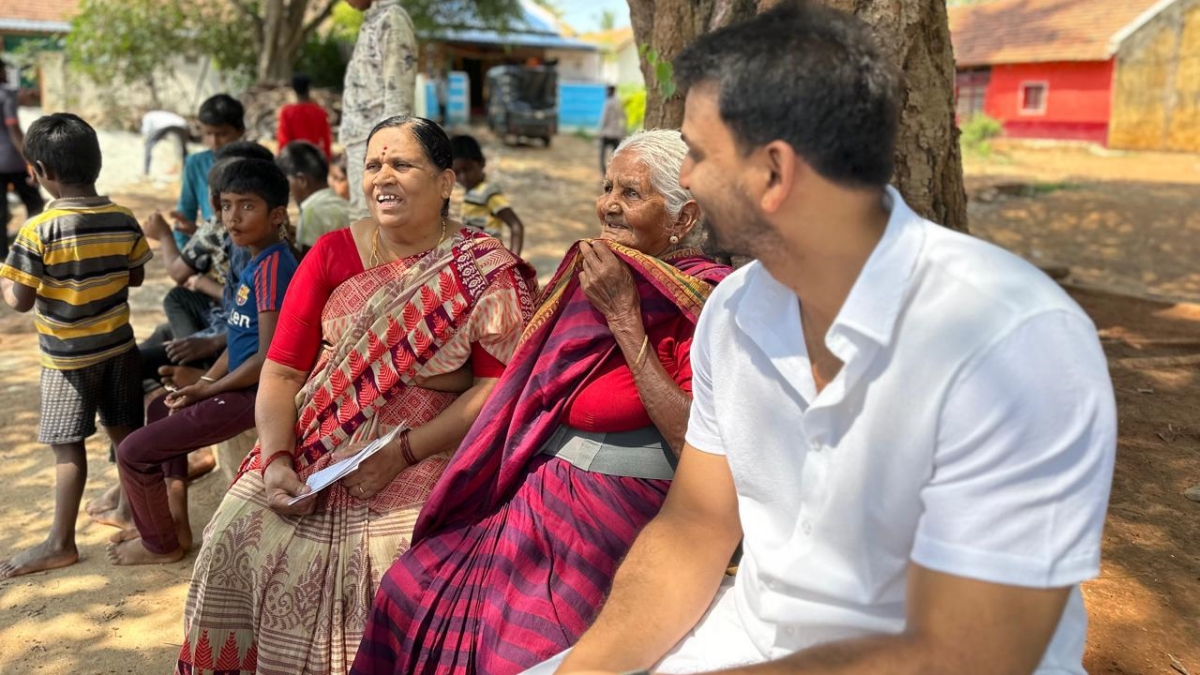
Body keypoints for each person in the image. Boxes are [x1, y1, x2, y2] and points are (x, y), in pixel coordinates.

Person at [527, 4, 1118, 675]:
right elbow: (695, 528)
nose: (685, 179)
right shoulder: (733, 312)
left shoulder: (1013, 340)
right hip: (748, 639)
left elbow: (967, 653)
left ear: (773, 174)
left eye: (696, 153)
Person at [350, 129, 732, 675]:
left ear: (684, 218)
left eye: (631, 194)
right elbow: (525, 385)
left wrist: (626, 318)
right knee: (410, 587)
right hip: (543, 487)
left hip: (628, 502)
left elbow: (694, 439)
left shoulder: (709, 302)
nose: (610, 207)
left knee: (517, 648)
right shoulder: (594, 273)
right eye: (607, 188)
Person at [177, 116, 537, 675]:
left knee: (391, 557)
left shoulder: (482, 270)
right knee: (234, 528)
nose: (382, 177)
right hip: (317, 436)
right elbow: (279, 374)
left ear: (445, 182)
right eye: (372, 165)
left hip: (430, 446)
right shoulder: (331, 254)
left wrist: (405, 450)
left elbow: (497, 388)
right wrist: (274, 460)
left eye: (402, 164)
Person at [108, 158, 300, 566]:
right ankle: (173, 520)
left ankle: (161, 545)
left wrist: (211, 388)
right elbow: (239, 338)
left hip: (258, 396)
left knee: (132, 452)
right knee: (163, 405)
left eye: (247, 205)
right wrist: (203, 382)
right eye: (227, 205)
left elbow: (267, 357)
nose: (233, 216)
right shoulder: (252, 260)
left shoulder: (273, 267)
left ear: (277, 214)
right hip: (239, 383)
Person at [0, 113, 151, 579]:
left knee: (68, 449)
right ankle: (129, 511)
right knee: (125, 433)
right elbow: (137, 275)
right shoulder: (121, 217)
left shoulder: (37, 231)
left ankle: (60, 542)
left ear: (40, 171)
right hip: (120, 349)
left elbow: (21, 301)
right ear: (98, 162)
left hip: (68, 360)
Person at [340, 0, 418, 221]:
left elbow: (398, 96)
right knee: (362, 220)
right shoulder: (372, 21)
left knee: (376, 222)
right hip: (362, 147)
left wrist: (386, 156)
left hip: (377, 150)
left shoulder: (392, 19)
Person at [170, 94, 246, 249]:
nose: (214, 142)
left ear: (240, 131)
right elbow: (185, 213)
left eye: (222, 134)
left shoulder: (256, 162)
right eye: (208, 134)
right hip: (213, 246)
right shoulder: (195, 163)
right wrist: (184, 253)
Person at [450, 134, 525, 256]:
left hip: (489, 258)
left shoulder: (488, 193)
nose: (463, 177)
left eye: (467, 169)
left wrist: (515, 261)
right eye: (457, 172)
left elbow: (516, 225)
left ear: (481, 163)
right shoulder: (472, 192)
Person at [0, 64, 44, 260]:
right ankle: (34, 248)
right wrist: (30, 158)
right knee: (34, 202)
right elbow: (14, 130)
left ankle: (2, 256)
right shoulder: (6, 94)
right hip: (11, 160)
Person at [277, 140, 350, 254]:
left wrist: (286, 242)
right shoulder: (343, 203)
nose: (288, 190)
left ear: (302, 180)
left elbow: (307, 261)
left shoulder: (310, 212)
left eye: (288, 181)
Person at [277, 74, 333, 159]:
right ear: (308, 89)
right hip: (313, 158)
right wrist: (327, 158)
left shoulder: (287, 112)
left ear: (294, 90)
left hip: (294, 158)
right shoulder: (319, 112)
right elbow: (326, 139)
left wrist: (283, 158)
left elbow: (283, 139)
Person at [142, 109, 191, 176]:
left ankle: (146, 171)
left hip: (165, 125)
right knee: (182, 148)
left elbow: (146, 131)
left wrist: (145, 140)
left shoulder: (147, 116)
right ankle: (185, 171)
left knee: (149, 145)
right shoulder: (160, 114)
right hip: (182, 124)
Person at [598, 85, 625, 176]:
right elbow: (623, 117)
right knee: (616, 156)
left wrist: (600, 131)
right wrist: (622, 132)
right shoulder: (618, 101)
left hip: (606, 133)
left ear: (611, 91)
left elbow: (604, 118)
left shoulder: (608, 102)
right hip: (616, 133)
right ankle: (614, 173)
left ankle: (605, 173)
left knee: (602, 155)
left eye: (608, 90)